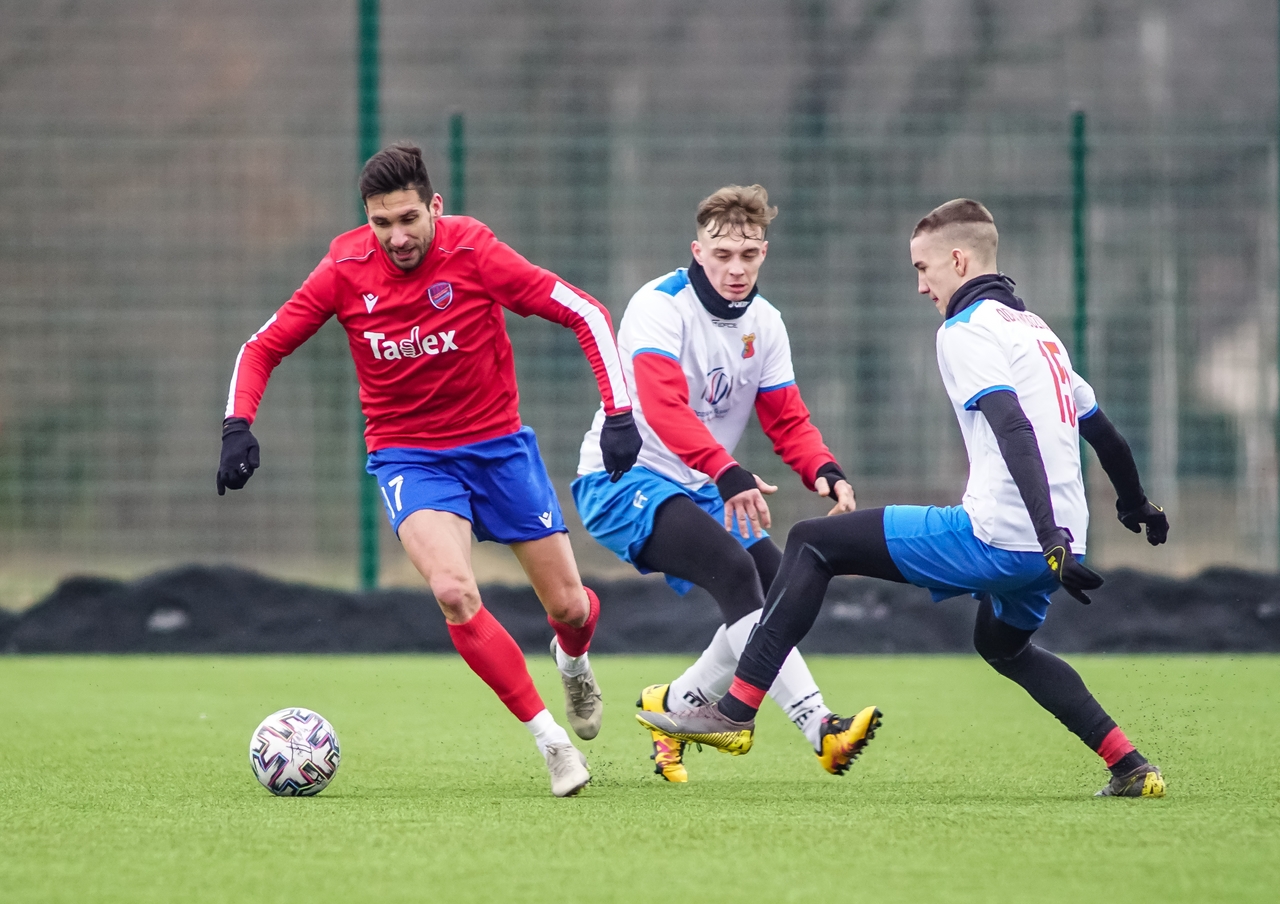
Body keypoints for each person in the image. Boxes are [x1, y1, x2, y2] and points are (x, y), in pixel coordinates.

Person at [639, 198, 1170, 799]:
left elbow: (1013, 427)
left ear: (958, 260)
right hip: (1054, 548)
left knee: (812, 543)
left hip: (1004, 537)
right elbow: (1104, 433)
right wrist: (1134, 505)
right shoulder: (1040, 333)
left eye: (923, 268)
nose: (921, 286)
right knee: (1004, 646)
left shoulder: (966, 330)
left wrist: (1049, 536)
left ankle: (735, 712)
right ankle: (1129, 764)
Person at [217, 144, 643, 798]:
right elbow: (261, 347)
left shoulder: (475, 252)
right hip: (408, 457)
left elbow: (584, 312)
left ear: (435, 207)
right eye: (381, 223)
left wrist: (618, 412)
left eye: (409, 219)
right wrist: (236, 425)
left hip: (499, 450)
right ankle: (551, 743)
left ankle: (573, 658)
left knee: (569, 606)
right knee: (452, 590)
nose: (397, 237)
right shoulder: (343, 268)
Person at [573, 184, 878, 782]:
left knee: (779, 582)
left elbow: (786, 417)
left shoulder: (767, 324)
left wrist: (825, 469)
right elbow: (662, 407)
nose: (736, 269)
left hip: (701, 482)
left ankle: (676, 704)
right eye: (722, 255)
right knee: (736, 573)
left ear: (764, 252)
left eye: (749, 255)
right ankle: (821, 728)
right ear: (697, 251)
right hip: (621, 482)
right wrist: (727, 471)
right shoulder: (659, 306)